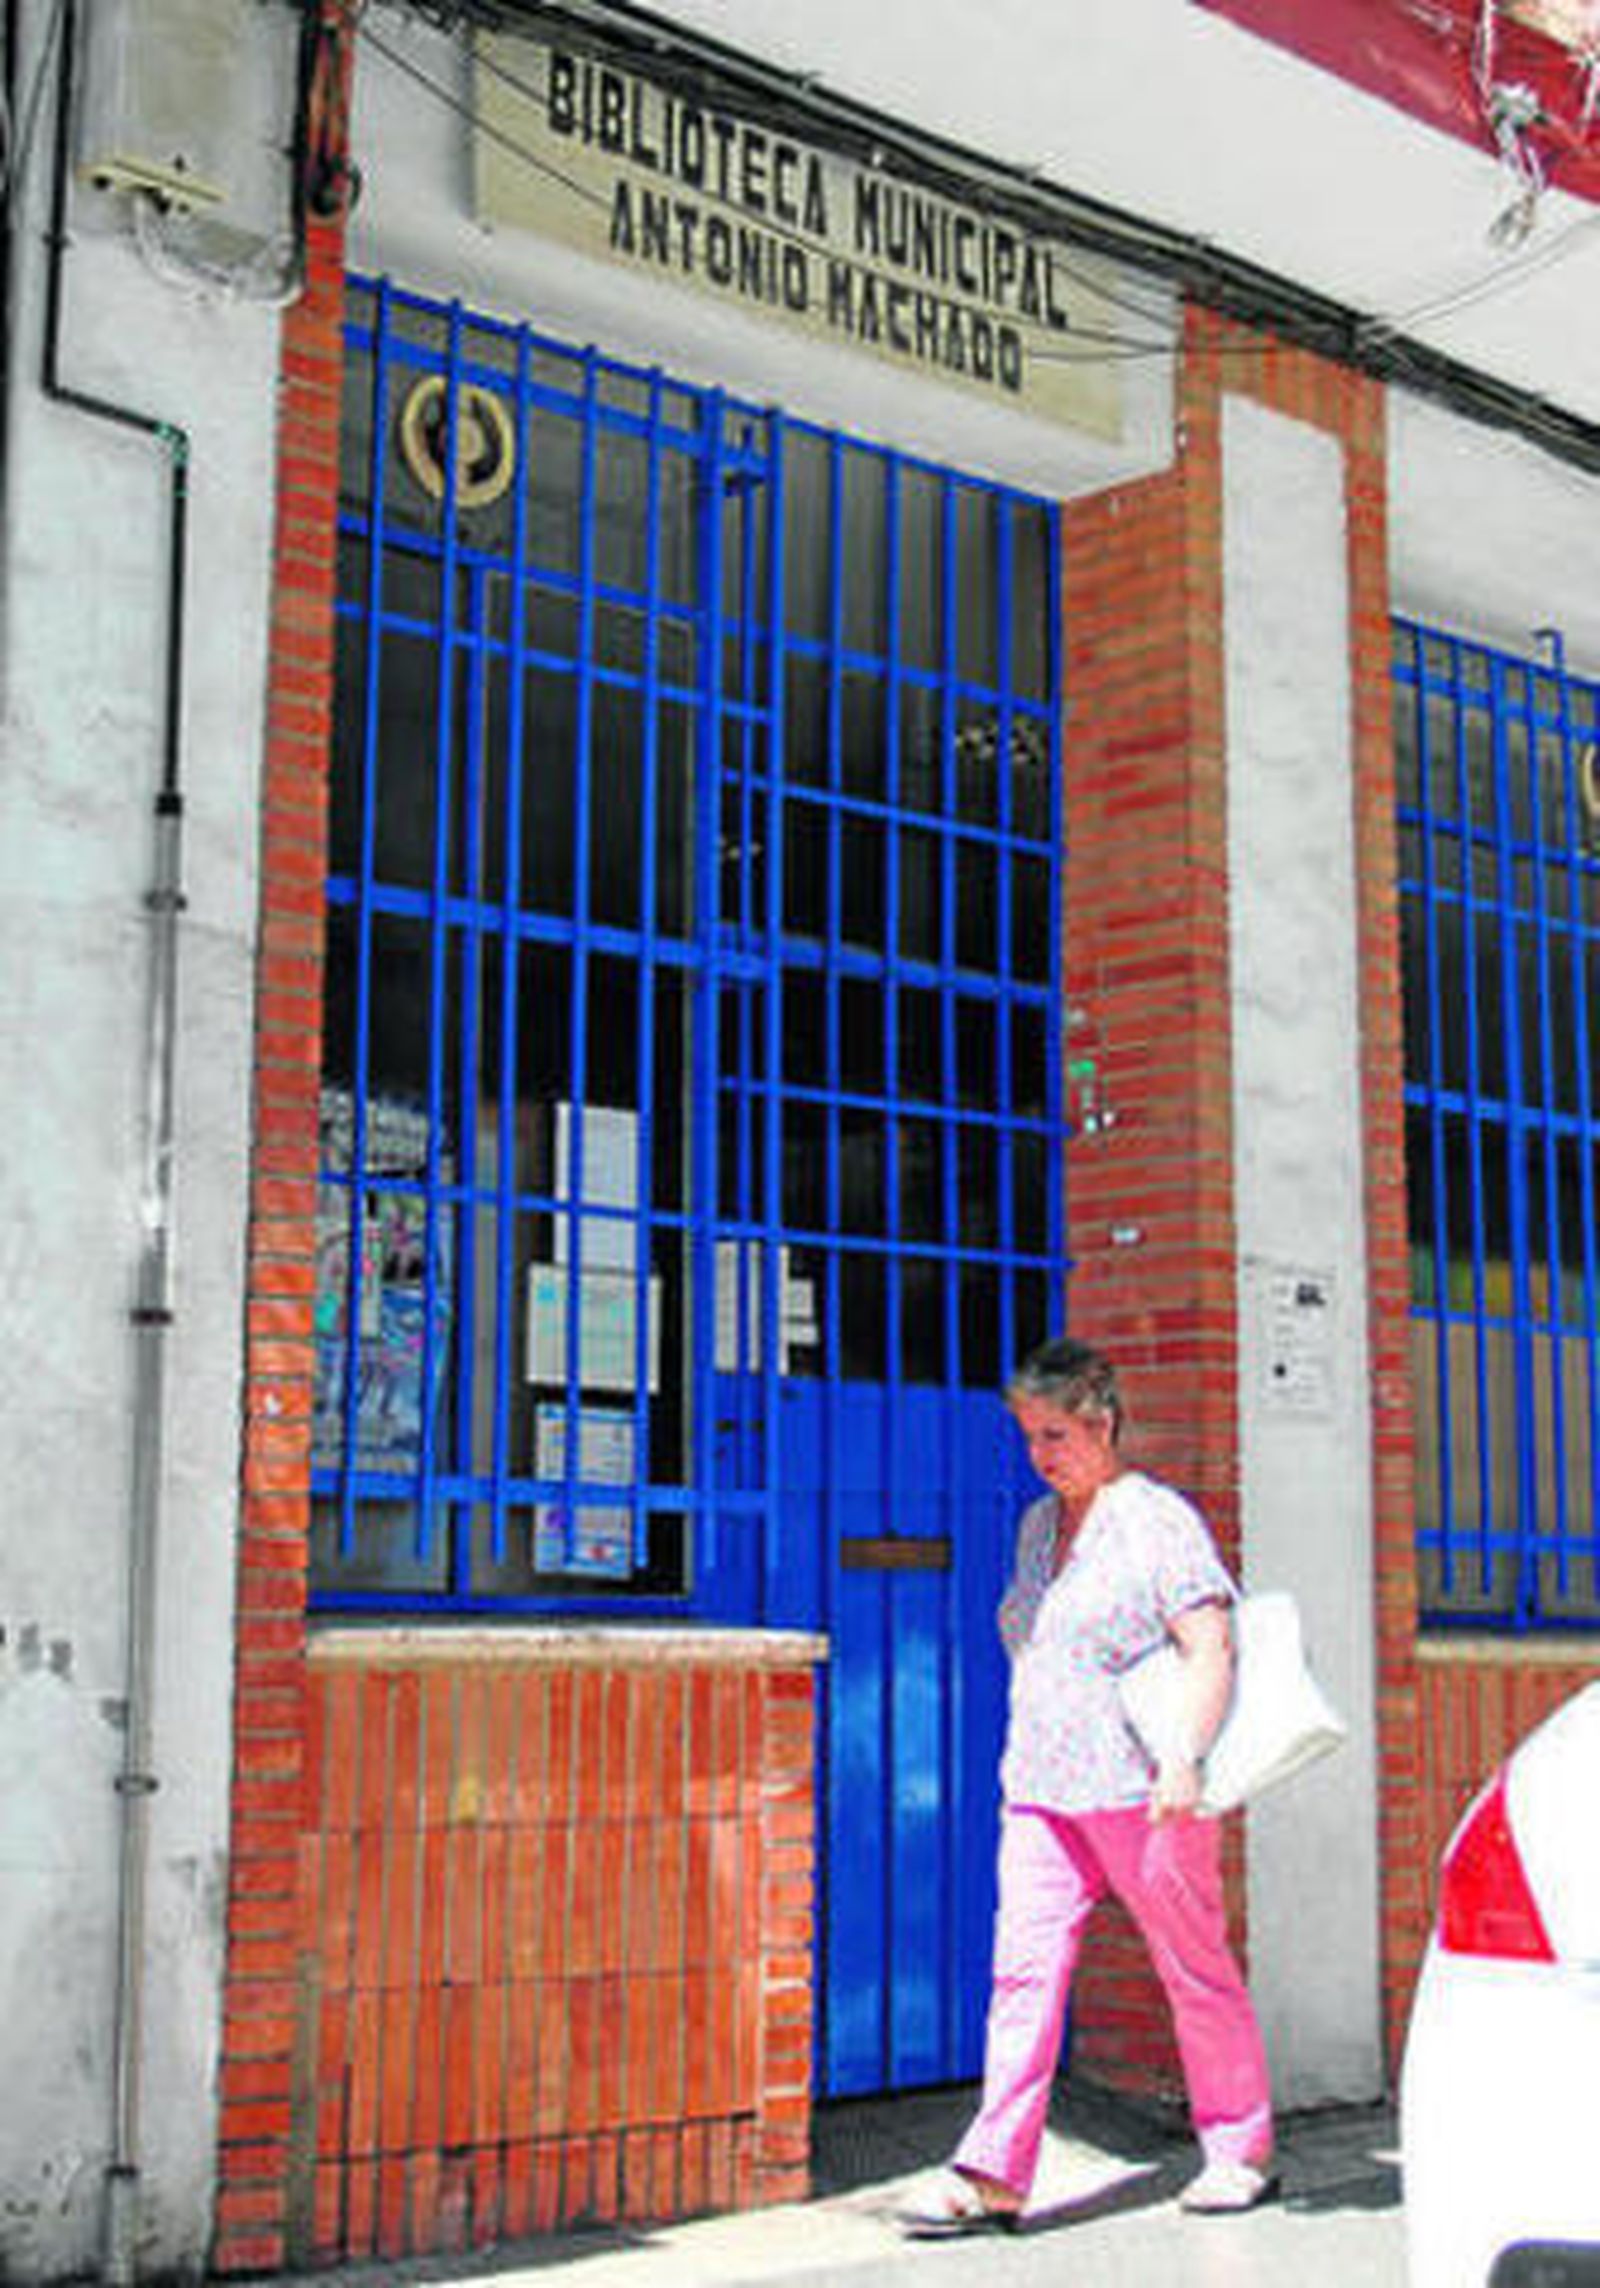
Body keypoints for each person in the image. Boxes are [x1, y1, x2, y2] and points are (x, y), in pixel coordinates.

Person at [898, 1335, 1274, 2235]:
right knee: (1022, 1976)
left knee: (1193, 1966)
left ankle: (1239, 2150)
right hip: (1039, 1787)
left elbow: (1210, 1646)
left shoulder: (1156, 1519)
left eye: (1057, 1434)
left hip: (1143, 1789)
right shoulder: (1037, 1526)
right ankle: (993, 2171)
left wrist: (1186, 1755)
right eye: (1030, 1435)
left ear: (1105, 1424)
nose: (1042, 1455)